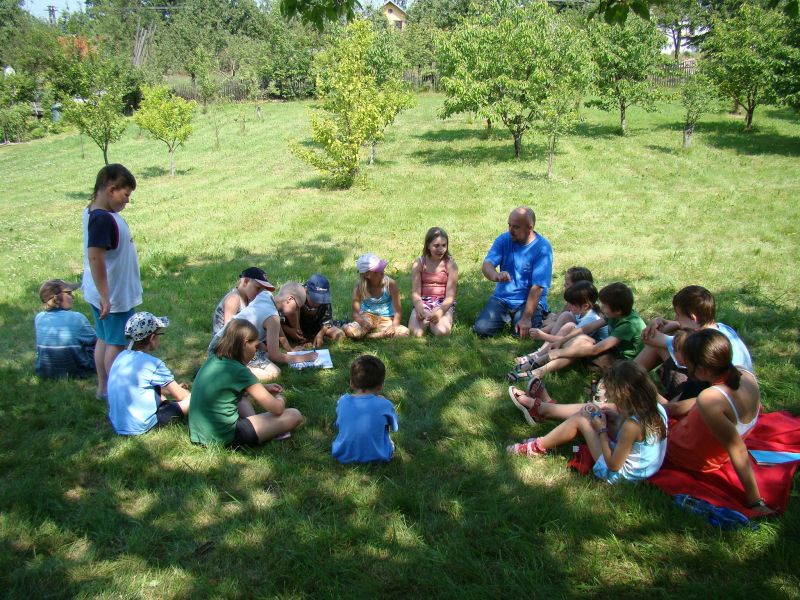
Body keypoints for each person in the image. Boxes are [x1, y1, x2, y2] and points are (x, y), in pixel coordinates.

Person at [664, 329, 774, 515]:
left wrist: (755, 502)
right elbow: (700, 403)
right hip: (703, 446)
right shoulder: (744, 374)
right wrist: (667, 408)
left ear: (703, 370)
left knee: (624, 428)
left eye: (688, 366)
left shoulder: (710, 399)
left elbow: (737, 449)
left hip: (685, 456)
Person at [507, 361, 668, 484]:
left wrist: (602, 431)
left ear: (623, 395)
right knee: (591, 411)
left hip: (622, 476)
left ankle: (536, 447)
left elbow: (613, 465)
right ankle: (545, 420)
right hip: (642, 469)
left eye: (612, 395)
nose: (611, 398)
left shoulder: (632, 426)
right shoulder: (657, 408)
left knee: (581, 419)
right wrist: (615, 417)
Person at [190, 319, 303, 448]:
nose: (256, 351)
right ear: (245, 344)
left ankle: (258, 425)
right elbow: (277, 409)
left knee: (241, 396)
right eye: (255, 347)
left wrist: (264, 388)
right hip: (225, 437)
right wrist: (280, 398)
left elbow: (232, 389)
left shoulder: (214, 359)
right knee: (294, 415)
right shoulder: (240, 371)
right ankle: (263, 429)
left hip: (199, 434)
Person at [80, 164, 141, 400]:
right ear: (111, 189)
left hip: (101, 293)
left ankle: (103, 389)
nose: (127, 200)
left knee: (104, 339)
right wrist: (106, 296)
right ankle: (115, 392)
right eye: (125, 195)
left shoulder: (92, 212)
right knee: (117, 343)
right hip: (113, 295)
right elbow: (95, 257)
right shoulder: (103, 219)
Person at [509, 282, 645, 386]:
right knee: (580, 339)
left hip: (623, 366)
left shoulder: (629, 324)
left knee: (578, 347)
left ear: (618, 310)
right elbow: (585, 328)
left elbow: (596, 350)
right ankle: (533, 367)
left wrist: (559, 352)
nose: (601, 308)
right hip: (612, 355)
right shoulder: (616, 314)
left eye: (604, 305)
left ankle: (535, 370)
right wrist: (562, 340)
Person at [635, 285, 753, 399]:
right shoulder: (722, 328)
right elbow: (687, 327)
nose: (676, 318)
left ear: (693, 317)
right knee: (674, 335)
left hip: (714, 393)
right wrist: (671, 323)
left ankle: (627, 378)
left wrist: (655, 327)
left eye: (678, 315)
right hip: (741, 388)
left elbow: (651, 339)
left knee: (657, 346)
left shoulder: (696, 342)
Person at [473, 207, 553, 339]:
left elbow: (538, 287)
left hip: (528, 300)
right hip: (502, 298)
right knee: (481, 330)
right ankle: (511, 318)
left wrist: (526, 318)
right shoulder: (503, 239)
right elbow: (487, 265)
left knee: (520, 335)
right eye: (509, 225)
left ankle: (545, 316)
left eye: (516, 227)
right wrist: (495, 275)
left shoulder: (542, 248)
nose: (510, 230)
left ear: (530, 228)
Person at [209, 283, 314, 381]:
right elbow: (275, 355)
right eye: (297, 307)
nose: (296, 311)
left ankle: (232, 365)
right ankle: (233, 370)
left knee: (265, 353)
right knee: (275, 372)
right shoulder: (273, 318)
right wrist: (302, 358)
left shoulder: (265, 295)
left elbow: (279, 333)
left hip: (218, 342)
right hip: (228, 349)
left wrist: (290, 350)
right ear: (289, 299)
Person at [107, 312, 190, 435]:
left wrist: (171, 389)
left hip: (118, 423)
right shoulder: (152, 364)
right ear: (152, 338)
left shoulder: (120, 357)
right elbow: (181, 396)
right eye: (159, 334)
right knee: (193, 399)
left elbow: (139, 386)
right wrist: (182, 391)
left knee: (163, 397)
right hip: (141, 426)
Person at [510, 281, 608, 378]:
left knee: (569, 327)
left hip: (592, 351)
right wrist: (543, 329)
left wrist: (542, 335)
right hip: (579, 342)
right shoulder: (582, 312)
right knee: (566, 316)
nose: (568, 306)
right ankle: (539, 353)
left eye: (572, 304)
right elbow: (565, 330)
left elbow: (571, 340)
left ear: (585, 306)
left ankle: (538, 365)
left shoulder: (590, 318)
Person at [332, 355, 399, 464]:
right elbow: (395, 427)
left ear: (351, 383)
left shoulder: (342, 401)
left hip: (343, 455)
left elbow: (339, 423)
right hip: (379, 457)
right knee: (388, 437)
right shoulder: (385, 405)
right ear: (380, 386)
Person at [34, 279, 96, 378]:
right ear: (57, 298)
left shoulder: (39, 317)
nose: (73, 297)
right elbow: (95, 340)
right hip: (77, 372)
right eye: (69, 293)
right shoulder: (77, 318)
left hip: (44, 372)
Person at [343, 253, 409, 339]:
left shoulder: (390, 284)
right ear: (367, 274)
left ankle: (374, 336)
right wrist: (362, 322)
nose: (382, 271)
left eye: (381, 268)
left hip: (387, 318)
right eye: (377, 270)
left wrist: (393, 326)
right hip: (367, 316)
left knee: (405, 332)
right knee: (350, 331)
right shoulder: (359, 287)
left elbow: (398, 312)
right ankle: (345, 326)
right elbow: (355, 314)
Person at [409, 227, 459, 337]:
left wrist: (440, 312)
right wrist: (418, 306)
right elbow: (415, 292)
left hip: (442, 302)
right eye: (436, 246)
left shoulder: (451, 264)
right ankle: (427, 319)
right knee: (415, 333)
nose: (441, 249)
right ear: (428, 245)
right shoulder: (419, 263)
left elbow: (450, 296)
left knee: (441, 332)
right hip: (423, 302)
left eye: (444, 245)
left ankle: (446, 317)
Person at [281, 273, 345, 347]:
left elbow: (327, 321)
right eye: (315, 299)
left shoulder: (325, 297)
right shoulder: (296, 294)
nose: (318, 303)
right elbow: (278, 319)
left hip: (315, 326)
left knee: (339, 334)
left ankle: (311, 338)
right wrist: (289, 330)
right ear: (306, 291)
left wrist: (321, 334)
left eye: (321, 299)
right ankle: (301, 338)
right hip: (294, 327)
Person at [212, 267, 276, 335]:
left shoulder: (249, 298)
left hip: (238, 335)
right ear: (246, 281)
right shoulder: (233, 298)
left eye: (262, 290)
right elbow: (229, 330)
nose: (259, 293)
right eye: (257, 288)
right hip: (225, 338)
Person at [538, 266, 594, 335]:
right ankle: (541, 330)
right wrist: (553, 318)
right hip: (574, 325)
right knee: (552, 316)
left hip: (575, 331)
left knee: (556, 321)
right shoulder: (578, 301)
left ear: (578, 286)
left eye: (567, 283)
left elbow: (564, 315)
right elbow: (562, 313)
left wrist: (553, 321)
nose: (564, 285)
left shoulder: (578, 303)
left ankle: (540, 332)